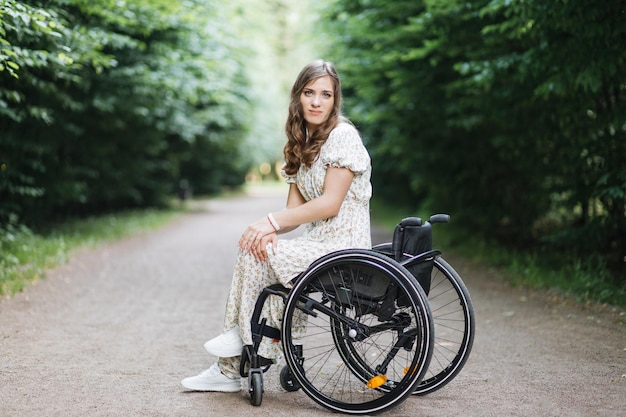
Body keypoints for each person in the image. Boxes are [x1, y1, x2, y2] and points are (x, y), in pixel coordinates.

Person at [181, 59, 372, 392]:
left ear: (334, 100)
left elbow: (329, 203)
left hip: (344, 245)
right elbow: (294, 212)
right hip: (318, 242)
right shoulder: (303, 142)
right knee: (258, 247)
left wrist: (267, 222)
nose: (316, 102)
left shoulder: (343, 136)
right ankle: (234, 359)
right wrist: (267, 230)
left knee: (260, 253)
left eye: (325, 95)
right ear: (298, 96)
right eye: (309, 93)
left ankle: (235, 351)